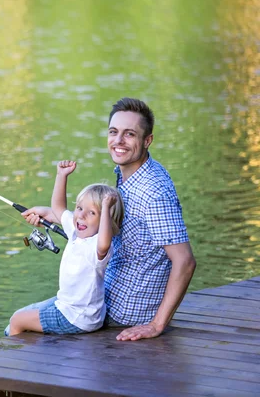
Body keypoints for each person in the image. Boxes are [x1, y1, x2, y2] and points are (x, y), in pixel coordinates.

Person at [20, 97, 197, 341]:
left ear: (147, 141)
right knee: (29, 316)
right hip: (105, 293)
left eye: (129, 134)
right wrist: (52, 215)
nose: (118, 141)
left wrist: (156, 325)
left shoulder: (154, 192)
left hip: (125, 309)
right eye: (114, 132)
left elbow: (185, 261)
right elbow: (112, 226)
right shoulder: (131, 175)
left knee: (20, 320)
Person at [7, 160, 124, 336]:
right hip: (69, 307)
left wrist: (106, 207)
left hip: (78, 317)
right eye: (79, 208)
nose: (81, 216)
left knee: (17, 321)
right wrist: (61, 176)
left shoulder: (97, 247)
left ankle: (16, 357)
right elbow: (58, 208)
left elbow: (104, 242)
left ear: (106, 221)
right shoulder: (76, 232)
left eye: (92, 213)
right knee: (19, 315)